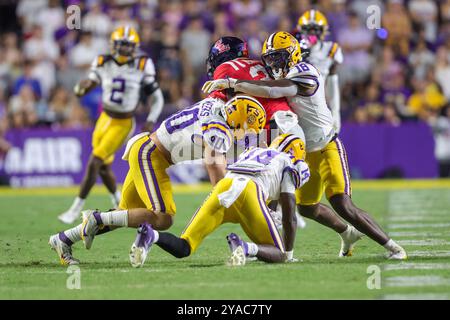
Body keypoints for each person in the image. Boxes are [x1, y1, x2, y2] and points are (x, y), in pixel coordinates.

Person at [203, 31, 407, 260]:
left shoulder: (304, 71)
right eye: (269, 59)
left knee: (343, 204)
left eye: (278, 57)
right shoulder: (283, 73)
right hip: (303, 148)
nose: (273, 64)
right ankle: (347, 233)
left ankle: (393, 246)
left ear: (292, 54)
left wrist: (234, 82)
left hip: (326, 147)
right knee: (307, 206)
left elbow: (272, 90)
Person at [49, 95, 266, 265]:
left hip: (146, 148)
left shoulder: (215, 105)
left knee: (126, 214)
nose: (246, 135)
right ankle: (96, 217)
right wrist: (226, 193)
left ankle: (64, 239)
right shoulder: (221, 130)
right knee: (163, 218)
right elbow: (213, 163)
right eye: (248, 129)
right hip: (151, 154)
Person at [128, 133, 310, 267]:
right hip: (249, 192)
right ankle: (245, 247)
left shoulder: (254, 151)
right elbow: (289, 216)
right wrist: (289, 253)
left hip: (224, 186)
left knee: (185, 246)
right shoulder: (288, 162)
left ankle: (151, 235)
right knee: (278, 254)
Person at [58, 26, 165, 224]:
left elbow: (157, 98)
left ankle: (75, 208)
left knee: (95, 160)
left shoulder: (142, 64)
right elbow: (89, 83)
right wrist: (81, 88)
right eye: (121, 44)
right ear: (114, 45)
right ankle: (117, 199)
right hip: (104, 119)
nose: (124, 49)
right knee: (103, 166)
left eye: (128, 45)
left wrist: (151, 119)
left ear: (134, 47)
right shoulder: (102, 61)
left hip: (123, 122)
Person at [293, 9, 343, 133]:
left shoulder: (331, 49)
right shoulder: (294, 49)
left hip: (319, 105)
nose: (312, 34)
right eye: (308, 29)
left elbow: (332, 83)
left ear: (323, 31)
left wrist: (335, 112)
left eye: (316, 29)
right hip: (295, 103)